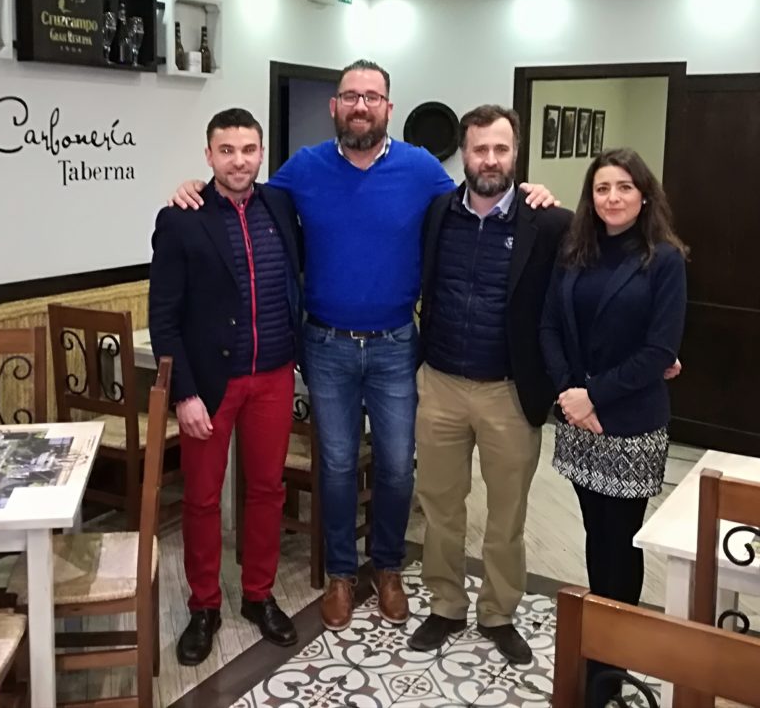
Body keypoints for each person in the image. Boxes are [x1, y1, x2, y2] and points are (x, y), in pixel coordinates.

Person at [169, 60, 556, 632]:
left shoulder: (421, 169)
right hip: (325, 345)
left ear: (388, 108)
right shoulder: (303, 168)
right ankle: (342, 575)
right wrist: (193, 189)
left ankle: (388, 566)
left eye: (372, 97)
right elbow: (246, 195)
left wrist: (531, 194)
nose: (360, 106)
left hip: (397, 345)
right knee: (337, 465)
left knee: (398, 466)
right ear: (335, 106)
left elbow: (476, 198)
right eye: (350, 95)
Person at [409, 105, 572, 664]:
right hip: (440, 384)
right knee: (440, 504)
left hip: (509, 392)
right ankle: (446, 604)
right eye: (480, 149)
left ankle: (499, 612)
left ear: (516, 153)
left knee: (507, 513)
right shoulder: (438, 212)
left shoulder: (548, 222)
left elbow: (585, 288)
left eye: (501, 149)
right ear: (464, 153)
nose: (490, 160)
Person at [149, 108, 303, 665]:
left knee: (266, 490)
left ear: (262, 153)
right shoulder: (181, 218)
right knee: (202, 498)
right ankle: (204, 606)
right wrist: (184, 393)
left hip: (274, 375)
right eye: (227, 150)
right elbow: (163, 316)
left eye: (248, 149)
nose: (239, 161)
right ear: (208, 155)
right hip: (210, 385)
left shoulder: (281, 206)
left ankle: (258, 594)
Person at [540, 147, 687, 706]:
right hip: (579, 418)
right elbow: (549, 326)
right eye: (602, 188)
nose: (613, 197)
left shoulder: (664, 259)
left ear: (644, 195)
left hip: (630, 424)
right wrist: (570, 396)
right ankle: (599, 647)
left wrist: (593, 396)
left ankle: (612, 662)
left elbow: (660, 351)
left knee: (620, 542)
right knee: (594, 534)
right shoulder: (574, 250)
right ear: (591, 196)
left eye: (624, 187)